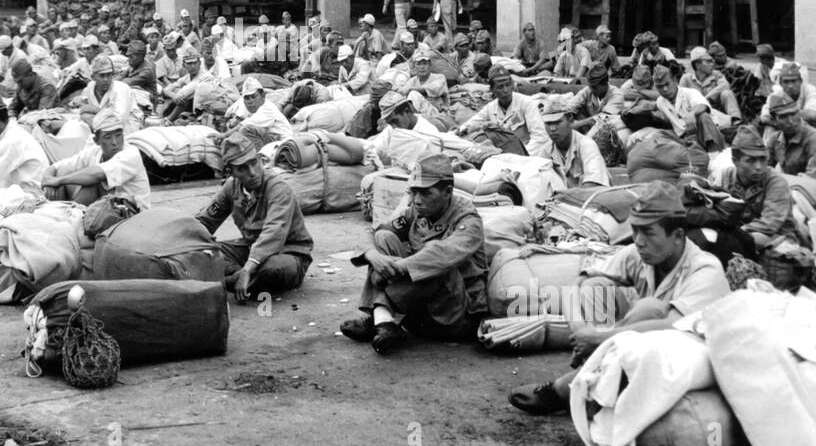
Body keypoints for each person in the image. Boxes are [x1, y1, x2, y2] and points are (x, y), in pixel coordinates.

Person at [508, 182, 730, 415]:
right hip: (645, 356)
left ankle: (572, 387)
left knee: (649, 310)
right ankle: (592, 377)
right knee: (595, 286)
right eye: (635, 230)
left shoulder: (705, 269)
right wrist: (582, 331)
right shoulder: (641, 253)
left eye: (649, 232)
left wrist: (599, 338)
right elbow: (579, 282)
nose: (639, 240)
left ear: (677, 236)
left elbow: (670, 325)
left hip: (697, 364)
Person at [339, 154, 486, 354]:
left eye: (426, 193)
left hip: (454, 316)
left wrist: (396, 267)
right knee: (384, 237)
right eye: (414, 192)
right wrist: (372, 255)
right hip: (423, 308)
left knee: (434, 258)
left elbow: (442, 255)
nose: (417, 201)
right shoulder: (417, 212)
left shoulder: (468, 220)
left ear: (448, 191)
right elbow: (375, 232)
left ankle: (380, 316)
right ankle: (385, 322)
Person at [194, 129, 313, 304]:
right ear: (232, 171)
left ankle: (232, 280)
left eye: (253, 163)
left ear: (260, 160)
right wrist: (183, 241)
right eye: (242, 168)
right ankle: (239, 279)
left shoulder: (278, 188)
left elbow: (273, 233)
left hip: (289, 252)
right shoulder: (231, 187)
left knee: (272, 269)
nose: (252, 172)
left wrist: (248, 267)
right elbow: (205, 221)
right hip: (251, 249)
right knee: (207, 253)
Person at [41, 108, 151, 208]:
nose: (114, 142)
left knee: (92, 183)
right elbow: (61, 165)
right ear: (96, 141)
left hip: (132, 211)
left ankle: (71, 215)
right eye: (108, 137)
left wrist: (58, 181)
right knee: (62, 171)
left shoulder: (131, 153)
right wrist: (48, 178)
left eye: (118, 135)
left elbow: (96, 174)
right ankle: (68, 213)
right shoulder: (95, 152)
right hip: (111, 206)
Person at [713, 126, 798, 249]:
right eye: (751, 160)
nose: (759, 166)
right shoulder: (725, 177)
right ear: (735, 161)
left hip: (778, 239)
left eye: (763, 159)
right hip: (741, 235)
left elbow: (770, 224)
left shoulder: (775, 182)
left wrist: (735, 233)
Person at [458, 65, 550, 156]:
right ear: (492, 90)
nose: (505, 90)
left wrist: (522, 155)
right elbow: (471, 124)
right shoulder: (490, 108)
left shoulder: (526, 103)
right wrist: (457, 132)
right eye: (500, 87)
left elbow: (540, 137)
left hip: (528, 152)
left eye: (508, 85)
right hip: (504, 155)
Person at [766, 92, 816, 187]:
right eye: (783, 117)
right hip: (796, 189)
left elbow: (811, 181)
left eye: (793, 114)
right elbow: (764, 169)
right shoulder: (775, 140)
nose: (791, 121)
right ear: (774, 121)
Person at [535, 104, 610, 187]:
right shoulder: (546, 150)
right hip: (566, 197)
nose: (552, 129)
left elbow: (592, 184)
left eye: (557, 122)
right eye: (548, 124)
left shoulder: (586, 145)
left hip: (591, 197)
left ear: (570, 120)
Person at [74, 54, 142, 134]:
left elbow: (119, 120)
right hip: (100, 127)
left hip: (127, 127)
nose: (106, 79)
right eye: (102, 76)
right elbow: (81, 109)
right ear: (93, 77)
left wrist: (95, 111)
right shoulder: (89, 89)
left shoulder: (121, 89)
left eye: (109, 75)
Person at [225, 76, 292, 143]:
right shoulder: (243, 103)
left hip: (281, 140)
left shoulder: (268, 108)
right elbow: (229, 113)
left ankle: (258, 152)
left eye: (254, 97)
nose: (250, 101)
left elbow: (243, 125)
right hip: (268, 136)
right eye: (247, 98)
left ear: (262, 95)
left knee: (246, 129)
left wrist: (223, 135)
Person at [680, 46, 742, 120]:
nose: (712, 64)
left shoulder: (716, 75)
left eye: (711, 61)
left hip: (718, 114)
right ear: (697, 65)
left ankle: (737, 121)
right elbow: (680, 99)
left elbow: (725, 85)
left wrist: (706, 99)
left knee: (727, 93)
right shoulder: (686, 79)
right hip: (696, 116)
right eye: (708, 61)